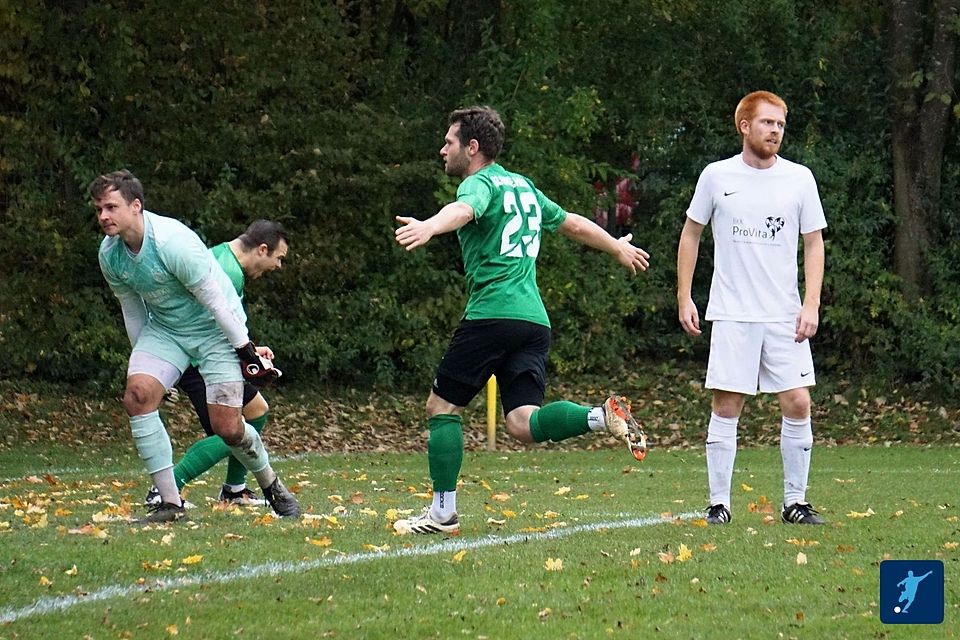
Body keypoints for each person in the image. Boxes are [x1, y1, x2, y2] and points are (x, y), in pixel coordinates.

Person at [392, 106, 650, 535]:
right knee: (522, 422)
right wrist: (617, 249)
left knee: (441, 407)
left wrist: (429, 226)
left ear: (472, 148)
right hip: (533, 321)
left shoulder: (479, 183)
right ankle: (599, 418)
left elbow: (464, 211)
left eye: (449, 142)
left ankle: (442, 514)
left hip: (492, 314)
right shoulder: (525, 187)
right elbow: (574, 224)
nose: (443, 150)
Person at [93, 170, 300, 523]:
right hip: (167, 330)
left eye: (111, 207)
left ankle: (271, 484)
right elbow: (132, 309)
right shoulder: (110, 255)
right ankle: (170, 504)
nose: (103, 216)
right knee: (138, 396)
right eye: (98, 209)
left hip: (213, 330)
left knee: (229, 428)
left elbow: (216, 301)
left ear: (136, 206)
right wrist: (144, 366)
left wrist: (245, 350)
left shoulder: (172, 241)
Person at [676, 90, 827, 526]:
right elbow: (691, 234)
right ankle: (718, 504)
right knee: (727, 405)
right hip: (733, 313)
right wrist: (685, 296)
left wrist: (811, 303)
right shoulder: (716, 176)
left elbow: (813, 242)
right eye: (767, 123)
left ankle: (795, 503)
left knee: (798, 402)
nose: (775, 130)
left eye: (780, 124)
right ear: (745, 126)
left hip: (784, 314)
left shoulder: (800, 179)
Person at [144, 221, 289, 508]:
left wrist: (250, 350)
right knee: (230, 430)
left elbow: (222, 322)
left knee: (256, 412)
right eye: (278, 258)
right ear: (262, 249)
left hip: (202, 354)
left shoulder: (221, 255)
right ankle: (165, 488)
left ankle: (235, 490)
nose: (278, 266)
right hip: (199, 359)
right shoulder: (229, 272)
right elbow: (206, 325)